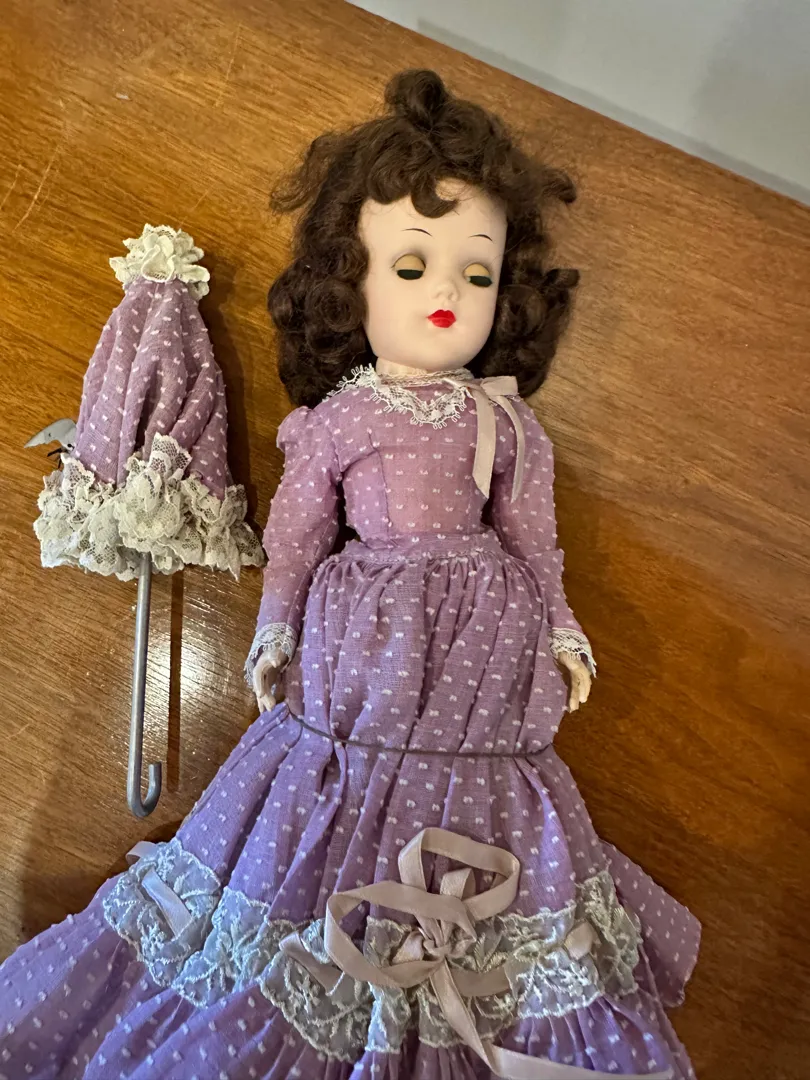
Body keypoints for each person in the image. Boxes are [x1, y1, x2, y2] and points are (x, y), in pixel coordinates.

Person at [0, 70, 699, 1080]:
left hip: (485, 700)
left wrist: (562, 628)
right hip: (357, 674)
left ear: (507, 294)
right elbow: (296, 536)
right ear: (352, 284)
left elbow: (534, 538)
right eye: (411, 266)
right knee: (310, 813)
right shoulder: (338, 420)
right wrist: (274, 629)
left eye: (476, 273)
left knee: (495, 845)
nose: (446, 293)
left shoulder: (508, 424)